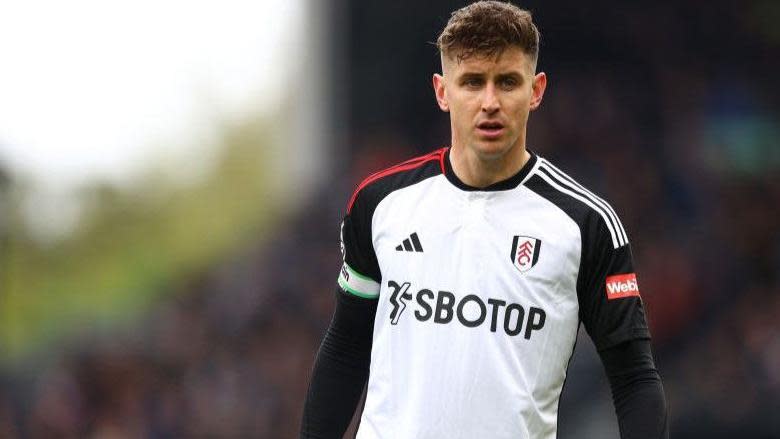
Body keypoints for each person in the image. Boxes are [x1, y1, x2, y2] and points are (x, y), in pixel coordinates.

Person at [301, 1, 668, 438]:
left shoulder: (585, 225)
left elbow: (634, 380)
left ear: (536, 90)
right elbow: (346, 347)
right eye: (472, 82)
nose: (490, 102)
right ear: (442, 91)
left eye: (507, 82)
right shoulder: (380, 204)